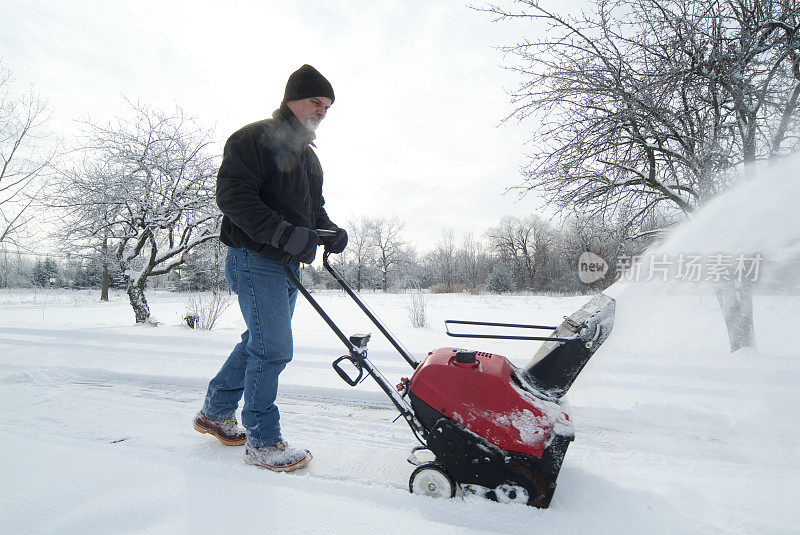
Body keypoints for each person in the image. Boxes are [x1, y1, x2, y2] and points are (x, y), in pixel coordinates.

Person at [193, 64, 348, 472]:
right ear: (292, 98)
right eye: (316, 101)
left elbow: (313, 210)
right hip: (254, 259)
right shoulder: (253, 138)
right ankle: (262, 440)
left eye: (328, 106)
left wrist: (329, 231)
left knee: (259, 342)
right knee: (273, 349)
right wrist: (282, 234)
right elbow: (233, 197)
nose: (322, 111)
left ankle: (216, 411)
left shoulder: (309, 158)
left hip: (286, 265)